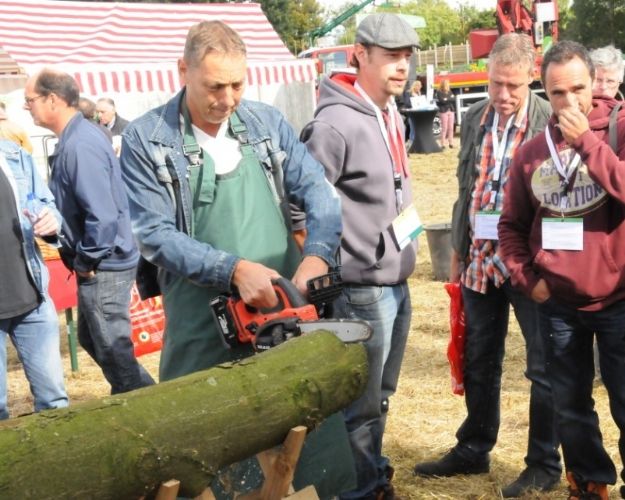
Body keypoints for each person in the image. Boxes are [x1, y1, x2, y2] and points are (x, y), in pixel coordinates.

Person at [119, 20, 352, 498]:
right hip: (201, 324)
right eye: (214, 86)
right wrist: (235, 270)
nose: (228, 99)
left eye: (237, 85)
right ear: (183, 70)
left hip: (282, 316)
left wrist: (316, 257)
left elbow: (322, 195)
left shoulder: (266, 124)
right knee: (201, 446)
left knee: (307, 444)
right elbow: (155, 235)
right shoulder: (148, 140)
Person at [412, 33, 561, 498]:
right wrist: (457, 252)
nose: (503, 94)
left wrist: (551, 269)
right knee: (479, 359)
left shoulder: (550, 122)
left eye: (513, 85)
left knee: (543, 367)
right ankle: (474, 448)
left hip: (529, 265)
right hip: (479, 259)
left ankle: (543, 464)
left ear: (531, 77)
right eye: (496, 83)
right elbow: (467, 189)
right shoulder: (475, 116)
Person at [498, 40, 625, 500]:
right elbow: (510, 226)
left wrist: (588, 143)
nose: (569, 101)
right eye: (557, 93)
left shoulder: (619, 129)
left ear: (595, 83)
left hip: (618, 299)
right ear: (544, 93)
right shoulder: (533, 152)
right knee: (570, 406)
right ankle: (589, 484)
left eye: (578, 89)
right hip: (558, 305)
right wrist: (529, 280)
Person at [301, 13, 419, 500]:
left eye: (407, 56)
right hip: (362, 288)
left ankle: (372, 475)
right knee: (361, 404)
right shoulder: (335, 123)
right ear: (360, 55)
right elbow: (301, 203)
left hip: (395, 278)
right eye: (391, 56)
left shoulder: (388, 111)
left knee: (380, 395)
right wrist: (323, 264)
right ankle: (362, 489)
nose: (402, 66)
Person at [23, 69, 155, 395]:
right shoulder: (77, 137)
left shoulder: (79, 145)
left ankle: (147, 409)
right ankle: (143, 398)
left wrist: (85, 261)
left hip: (104, 263)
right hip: (102, 258)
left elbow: (103, 216)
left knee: (113, 350)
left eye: (30, 100)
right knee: (94, 339)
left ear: (52, 100)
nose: (26, 107)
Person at [0, 139, 68, 420]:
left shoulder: (13, 155)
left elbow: (46, 205)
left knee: (55, 402)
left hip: (32, 297)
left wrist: (51, 223)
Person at [435, 78, 455, 148]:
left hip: (451, 110)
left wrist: (446, 99)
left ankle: (451, 142)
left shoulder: (449, 91)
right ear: (443, 84)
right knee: (444, 128)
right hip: (443, 111)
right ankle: (442, 143)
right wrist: (449, 99)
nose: (448, 85)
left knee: (451, 127)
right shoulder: (439, 92)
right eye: (447, 84)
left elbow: (453, 99)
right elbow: (442, 101)